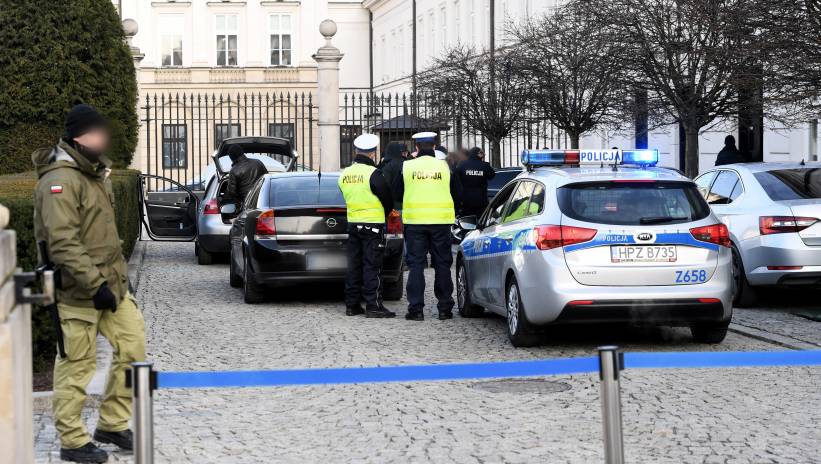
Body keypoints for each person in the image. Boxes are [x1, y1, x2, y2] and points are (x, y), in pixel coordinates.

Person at [32, 104, 146, 463]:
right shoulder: (60, 179)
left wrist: (115, 282)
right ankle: (72, 440)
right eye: (98, 132)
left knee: (133, 348)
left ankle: (112, 423)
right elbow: (63, 243)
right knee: (77, 365)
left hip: (112, 287)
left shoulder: (95, 173)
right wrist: (95, 285)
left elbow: (104, 236)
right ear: (80, 136)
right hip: (77, 292)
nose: (103, 138)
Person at [393, 131, 461, 321]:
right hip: (441, 222)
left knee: (416, 265)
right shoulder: (446, 166)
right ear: (434, 146)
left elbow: (396, 192)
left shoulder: (407, 166)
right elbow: (458, 192)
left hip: (415, 222)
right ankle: (445, 308)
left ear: (416, 147)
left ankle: (416, 310)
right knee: (442, 264)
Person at [338, 133, 396, 318]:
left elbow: (345, 195)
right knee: (372, 266)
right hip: (372, 226)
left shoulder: (345, 174)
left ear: (356, 151)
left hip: (353, 224)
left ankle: (352, 305)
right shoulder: (374, 173)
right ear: (372, 153)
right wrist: (385, 212)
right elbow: (387, 198)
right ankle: (373, 306)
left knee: (353, 266)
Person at [455, 146, 495, 217]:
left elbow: (456, 177)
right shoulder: (484, 165)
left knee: (466, 220)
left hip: (466, 201)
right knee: (481, 220)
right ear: (477, 154)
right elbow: (491, 176)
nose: (483, 155)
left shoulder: (462, 164)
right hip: (481, 201)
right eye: (482, 153)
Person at [377, 141, 406, 211]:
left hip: (391, 204)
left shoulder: (387, 166)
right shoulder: (405, 163)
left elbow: (384, 186)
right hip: (405, 202)